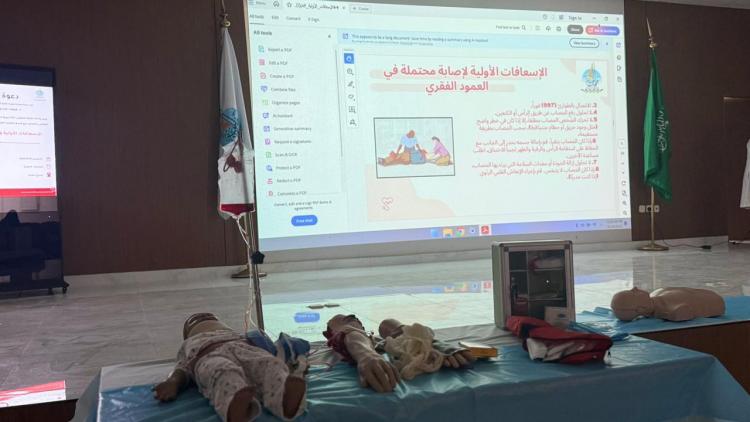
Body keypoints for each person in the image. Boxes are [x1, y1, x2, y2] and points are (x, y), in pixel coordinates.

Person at [153, 313, 306, 422]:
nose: (203, 319)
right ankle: (236, 406)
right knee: (222, 371)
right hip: (207, 355)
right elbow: (181, 369)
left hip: (244, 348)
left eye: (208, 317)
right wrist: (172, 382)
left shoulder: (238, 334)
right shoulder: (188, 345)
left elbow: (270, 350)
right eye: (194, 322)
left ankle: (284, 398)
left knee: (269, 363)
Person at [323, 314, 475, 392]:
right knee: (346, 324)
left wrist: (432, 344)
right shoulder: (349, 336)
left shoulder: (385, 341)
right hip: (359, 345)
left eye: (355, 320)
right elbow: (350, 333)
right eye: (350, 320)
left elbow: (403, 331)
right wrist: (366, 355)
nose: (355, 322)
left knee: (388, 324)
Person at [610, 287, 725, 322]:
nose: (635, 288)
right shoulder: (673, 309)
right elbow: (683, 312)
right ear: (641, 309)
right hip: (716, 301)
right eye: (633, 293)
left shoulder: (657, 293)